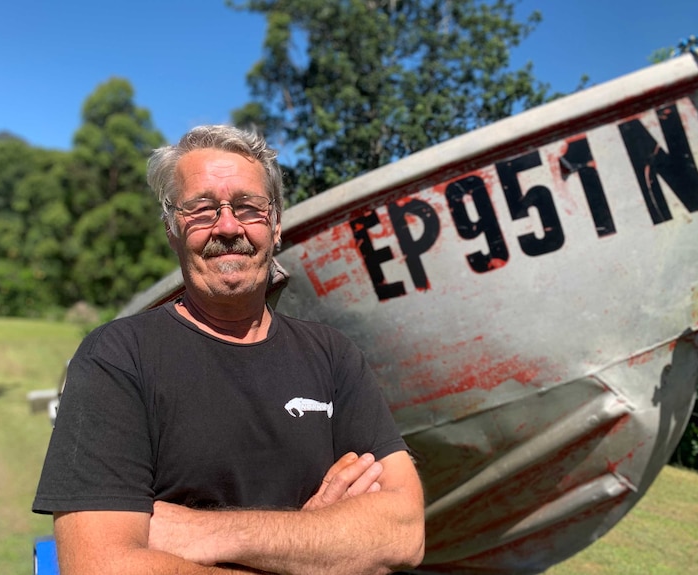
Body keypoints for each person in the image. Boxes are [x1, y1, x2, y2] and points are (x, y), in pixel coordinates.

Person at [33, 125, 425, 574]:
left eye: (248, 207)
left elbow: (404, 532)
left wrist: (199, 532)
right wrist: (315, 545)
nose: (227, 226)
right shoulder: (118, 358)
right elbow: (99, 567)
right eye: (201, 209)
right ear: (172, 229)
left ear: (276, 225)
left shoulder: (333, 356)